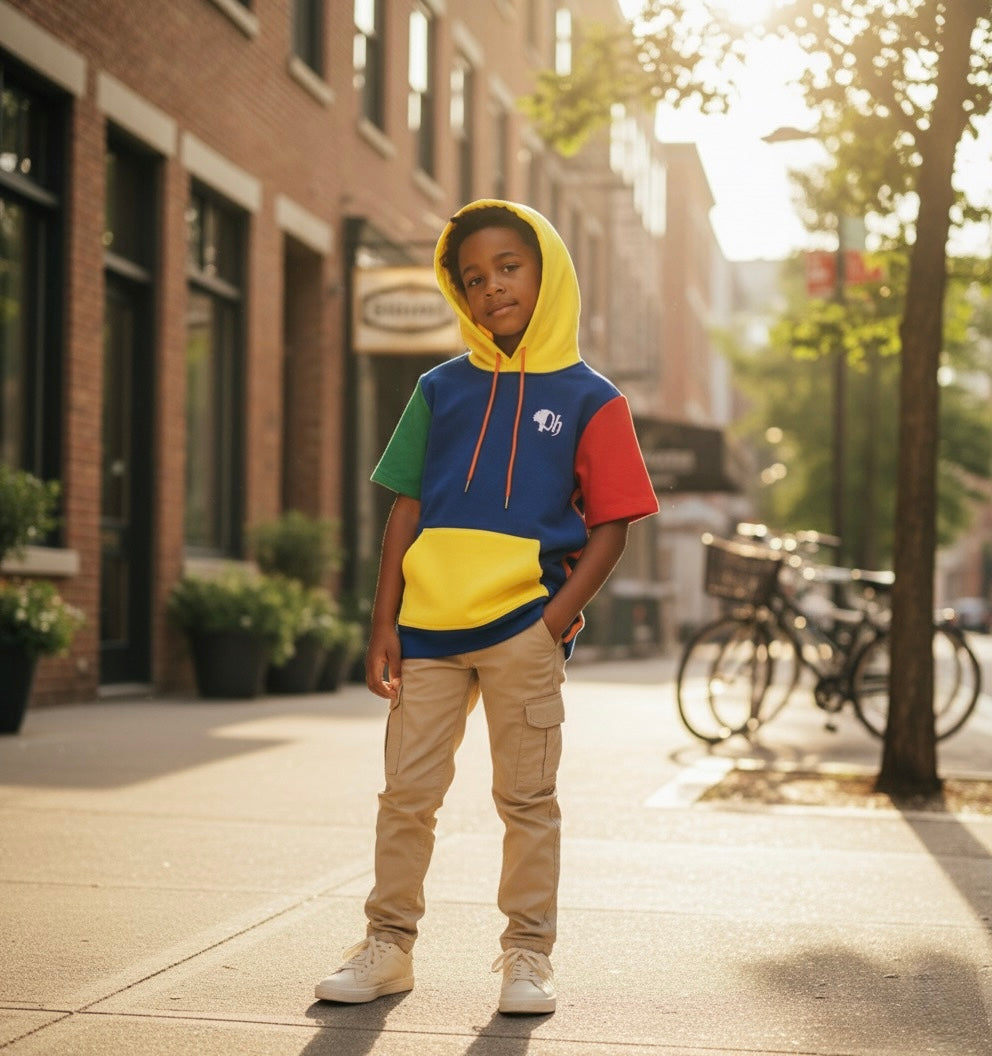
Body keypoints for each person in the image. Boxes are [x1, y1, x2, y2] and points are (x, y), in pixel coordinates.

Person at [315, 199, 658, 1015]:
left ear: (547, 273)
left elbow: (612, 530)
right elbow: (404, 511)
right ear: (458, 292)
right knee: (407, 796)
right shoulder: (438, 388)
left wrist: (551, 618)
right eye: (474, 277)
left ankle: (528, 956)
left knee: (526, 801)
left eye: (509, 267)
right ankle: (387, 947)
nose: (492, 287)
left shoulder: (591, 398)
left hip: (521, 630)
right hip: (428, 629)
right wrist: (382, 627)